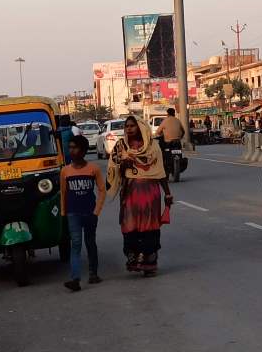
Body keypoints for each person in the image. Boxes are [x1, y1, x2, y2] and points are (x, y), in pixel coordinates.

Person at [107, 116, 172, 276]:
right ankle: (134, 258)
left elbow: (160, 171)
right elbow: (113, 168)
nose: (129, 129)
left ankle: (149, 263)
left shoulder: (153, 146)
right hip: (130, 192)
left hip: (150, 193)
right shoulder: (121, 146)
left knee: (150, 226)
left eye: (132, 126)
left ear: (141, 127)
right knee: (130, 225)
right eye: (127, 126)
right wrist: (123, 165)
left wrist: (168, 193)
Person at [59, 135, 105, 292]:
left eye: (75, 147)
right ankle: (75, 279)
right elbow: (63, 193)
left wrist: (96, 211)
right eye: (70, 147)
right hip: (73, 213)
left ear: (84, 150)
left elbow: (101, 190)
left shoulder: (94, 169)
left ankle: (93, 273)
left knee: (90, 242)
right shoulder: (65, 171)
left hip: (90, 213)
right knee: (76, 244)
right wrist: (64, 212)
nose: (72, 150)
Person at [155, 108, 185, 175]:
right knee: (180, 152)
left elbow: (158, 132)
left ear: (167, 114)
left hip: (168, 143)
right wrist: (180, 137)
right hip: (177, 142)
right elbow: (183, 131)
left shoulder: (165, 121)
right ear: (174, 113)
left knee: (162, 153)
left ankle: (164, 167)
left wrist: (162, 134)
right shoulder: (178, 120)